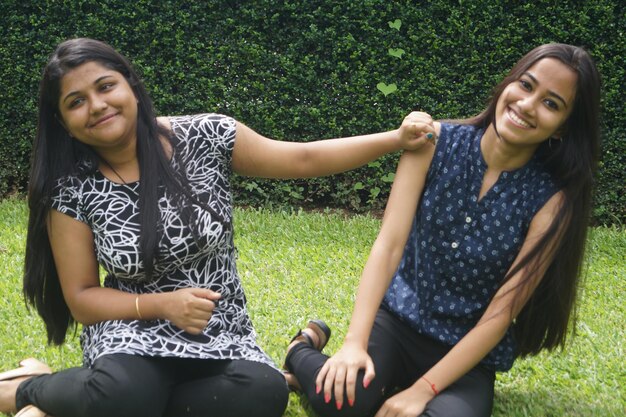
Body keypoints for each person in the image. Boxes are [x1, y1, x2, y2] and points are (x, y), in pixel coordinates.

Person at [0, 38, 435, 417]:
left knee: (263, 393)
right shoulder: (71, 187)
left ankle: (91, 402)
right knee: (124, 394)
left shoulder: (206, 137)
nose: (96, 106)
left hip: (218, 329)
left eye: (105, 86)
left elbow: (303, 158)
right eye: (76, 101)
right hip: (129, 332)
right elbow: (82, 298)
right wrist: (163, 305)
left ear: (131, 84)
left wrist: (394, 140)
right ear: (64, 122)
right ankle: (31, 387)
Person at [283, 43, 601, 417]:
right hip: (397, 322)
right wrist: (354, 342)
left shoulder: (551, 201)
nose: (528, 105)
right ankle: (300, 349)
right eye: (526, 85)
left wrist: (422, 391)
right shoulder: (432, 142)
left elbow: (500, 314)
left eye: (552, 104)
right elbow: (389, 245)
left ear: (563, 128)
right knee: (340, 401)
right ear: (506, 85)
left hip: (464, 355)